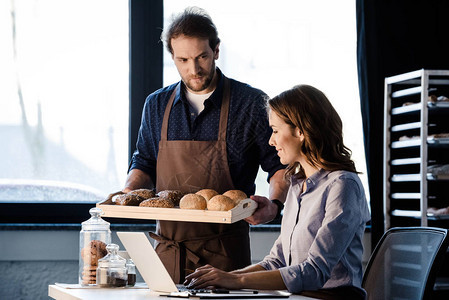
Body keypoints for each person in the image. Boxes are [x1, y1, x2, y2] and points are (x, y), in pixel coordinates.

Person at [122, 7, 289, 283]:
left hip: (226, 256)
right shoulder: (156, 105)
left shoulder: (249, 103)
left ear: (217, 50)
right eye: (183, 60)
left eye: (201, 57)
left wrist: (274, 205)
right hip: (167, 253)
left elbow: (279, 166)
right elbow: (144, 163)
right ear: (172, 57)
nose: (194, 69)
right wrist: (128, 192)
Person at [184, 84, 371, 299]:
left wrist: (234, 281)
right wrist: (223, 279)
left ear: (300, 131)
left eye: (274, 130)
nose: (271, 141)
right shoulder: (296, 183)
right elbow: (277, 261)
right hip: (298, 296)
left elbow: (314, 272)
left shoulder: (343, 185)